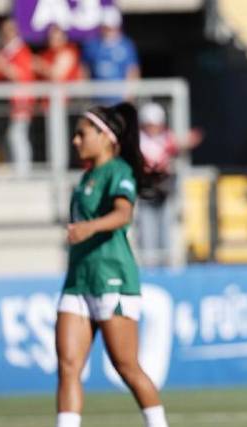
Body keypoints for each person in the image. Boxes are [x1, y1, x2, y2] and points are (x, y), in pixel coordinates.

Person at [55, 103, 168, 427]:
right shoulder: (87, 176)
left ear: (106, 137)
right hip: (78, 278)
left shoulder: (119, 171)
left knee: (127, 366)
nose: (76, 141)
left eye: (82, 134)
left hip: (112, 277)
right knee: (68, 366)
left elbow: (123, 213)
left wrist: (89, 228)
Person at [135, 102, 201, 266]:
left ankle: (167, 265)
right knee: (147, 233)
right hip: (145, 195)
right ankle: (149, 266)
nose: (154, 128)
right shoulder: (138, 140)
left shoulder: (166, 137)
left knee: (167, 231)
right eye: (150, 124)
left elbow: (177, 145)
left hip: (164, 192)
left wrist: (188, 140)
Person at [0, 18, 35, 176]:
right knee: (9, 137)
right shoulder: (5, 51)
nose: (6, 34)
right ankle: (13, 170)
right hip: (4, 103)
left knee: (17, 135)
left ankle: (23, 172)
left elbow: (19, 75)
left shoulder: (21, 50)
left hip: (20, 101)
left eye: (10, 30)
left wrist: (1, 65)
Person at [81, 7, 139, 103]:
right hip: (97, 99)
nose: (109, 31)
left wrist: (129, 97)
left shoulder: (126, 45)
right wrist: (86, 93)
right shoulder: (92, 45)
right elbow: (84, 69)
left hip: (119, 99)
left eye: (112, 28)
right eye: (106, 27)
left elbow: (133, 71)